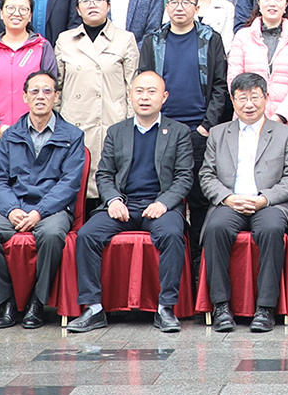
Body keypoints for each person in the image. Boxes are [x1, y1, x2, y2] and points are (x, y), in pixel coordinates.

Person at [69, 68, 196, 335]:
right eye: (139, 91)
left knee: (172, 234)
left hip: (161, 206)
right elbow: (104, 174)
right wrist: (113, 200)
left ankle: (165, 307)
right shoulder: (117, 132)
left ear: (164, 97)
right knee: (87, 235)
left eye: (151, 91)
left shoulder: (179, 132)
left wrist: (163, 203)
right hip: (124, 204)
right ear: (130, 95)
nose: (144, 97)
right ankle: (93, 308)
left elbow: (184, 177)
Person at [0, 70, 85, 329]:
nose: (40, 96)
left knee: (52, 235)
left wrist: (40, 212)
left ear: (56, 97)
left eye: (47, 91)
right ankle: (7, 301)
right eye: (34, 91)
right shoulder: (11, 135)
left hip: (52, 209)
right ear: (24, 97)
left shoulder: (72, 136)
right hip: (16, 206)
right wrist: (12, 210)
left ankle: (37, 301)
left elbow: (69, 183)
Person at [195, 72, 288, 333]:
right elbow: (206, 175)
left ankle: (265, 308)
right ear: (232, 101)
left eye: (255, 97)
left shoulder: (284, 133)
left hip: (268, 203)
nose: (249, 104)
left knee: (272, 229)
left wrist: (265, 199)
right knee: (216, 228)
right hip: (229, 202)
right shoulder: (218, 133)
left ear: (266, 98)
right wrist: (228, 198)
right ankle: (221, 306)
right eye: (242, 98)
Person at [140, 0, 231, 134]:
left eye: (186, 3)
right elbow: (144, 81)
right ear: (167, 7)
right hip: (161, 125)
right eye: (174, 2)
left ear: (197, 8)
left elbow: (219, 84)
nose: (179, 8)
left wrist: (207, 125)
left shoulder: (210, 39)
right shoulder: (153, 41)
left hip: (199, 126)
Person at [0, 0, 60, 142]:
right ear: (1, 13)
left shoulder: (42, 47)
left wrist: (34, 124)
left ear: (30, 16)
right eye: (10, 8)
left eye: (23, 9)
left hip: (35, 133)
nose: (16, 13)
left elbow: (50, 89)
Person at [56, 0, 139, 139]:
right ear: (78, 9)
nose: (92, 4)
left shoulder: (125, 39)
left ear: (108, 6)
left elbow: (132, 87)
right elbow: (57, 87)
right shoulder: (65, 40)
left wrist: (129, 125)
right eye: (86, 0)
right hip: (73, 123)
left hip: (112, 123)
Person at [229, 0, 288, 127]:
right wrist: (251, 111)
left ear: (286, 4)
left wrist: (281, 116)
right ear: (258, 2)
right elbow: (234, 78)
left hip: (286, 123)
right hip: (247, 119)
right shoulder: (242, 36)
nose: (272, 3)